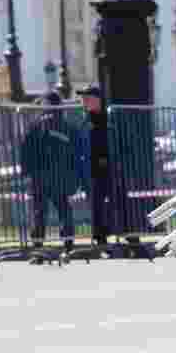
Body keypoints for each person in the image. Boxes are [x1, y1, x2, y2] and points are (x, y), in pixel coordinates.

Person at [19, 91, 86, 252]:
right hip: (59, 177)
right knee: (63, 209)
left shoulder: (35, 126)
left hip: (40, 176)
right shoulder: (68, 128)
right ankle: (68, 243)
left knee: (40, 211)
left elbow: (26, 151)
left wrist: (26, 172)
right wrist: (75, 177)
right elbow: (77, 155)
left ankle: (37, 244)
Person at [77, 84, 112, 246]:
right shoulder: (85, 119)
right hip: (90, 170)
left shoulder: (109, 117)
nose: (83, 101)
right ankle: (100, 238)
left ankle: (127, 235)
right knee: (95, 205)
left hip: (109, 170)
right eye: (82, 98)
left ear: (97, 100)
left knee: (115, 203)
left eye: (87, 98)